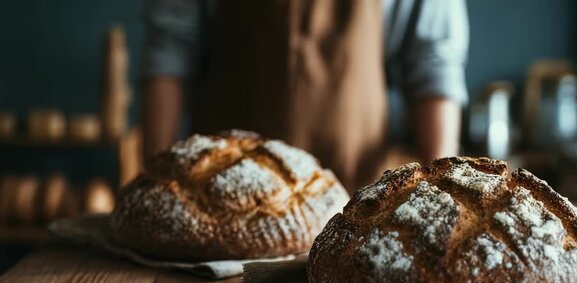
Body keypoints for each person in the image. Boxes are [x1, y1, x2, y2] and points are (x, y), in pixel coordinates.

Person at [142, 0, 468, 190]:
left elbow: (433, 63)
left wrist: (439, 192)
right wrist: (154, 185)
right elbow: (170, 50)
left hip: (358, 191)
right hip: (221, 192)